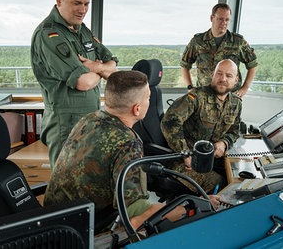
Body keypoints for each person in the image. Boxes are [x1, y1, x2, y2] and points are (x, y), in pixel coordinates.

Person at [43, 70, 220, 231]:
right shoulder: (127, 143)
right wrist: (196, 207)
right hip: (78, 229)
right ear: (137, 108)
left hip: (52, 215)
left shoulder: (89, 119)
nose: (149, 102)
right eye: (148, 98)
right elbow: (135, 219)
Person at [31, 0, 118, 166]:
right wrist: (100, 71)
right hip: (66, 122)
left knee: (85, 183)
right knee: (66, 185)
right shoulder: (49, 34)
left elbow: (113, 66)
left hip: (89, 118)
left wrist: (94, 67)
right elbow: (83, 82)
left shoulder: (81, 30)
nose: (83, 10)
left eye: (87, 4)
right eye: (77, 3)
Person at [162, 59, 242, 193]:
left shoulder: (236, 103)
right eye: (219, 74)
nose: (223, 79)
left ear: (236, 80)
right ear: (212, 74)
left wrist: (223, 143)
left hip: (211, 160)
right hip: (184, 162)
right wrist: (185, 155)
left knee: (238, 176)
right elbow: (170, 122)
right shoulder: (196, 97)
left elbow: (234, 131)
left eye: (229, 76)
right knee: (223, 185)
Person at [180, 3, 258, 98]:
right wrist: (190, 87)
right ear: (212, 18)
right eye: (220, 19)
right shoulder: (198, 41)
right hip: (204, 97)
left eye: (227, 20)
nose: (224, 23)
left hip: (229, 98)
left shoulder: (238, 42)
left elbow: (253, 65)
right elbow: (185, 65)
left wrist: (245, 88)